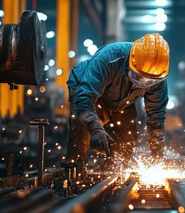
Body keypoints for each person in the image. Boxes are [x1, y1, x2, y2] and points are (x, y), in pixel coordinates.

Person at [66, 33, 169, 176]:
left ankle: (112, 171)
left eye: (149, 81)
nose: (143, 83)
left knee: (126, 139)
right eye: (139, 77)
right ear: (132, 63)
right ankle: (74, 173)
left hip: (122, 99)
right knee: (81, 126)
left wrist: (157, 153)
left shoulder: (158, 77)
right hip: (87, 90)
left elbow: (156, 117)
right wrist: (96, 130)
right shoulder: (109, 58)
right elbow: (85, 100)